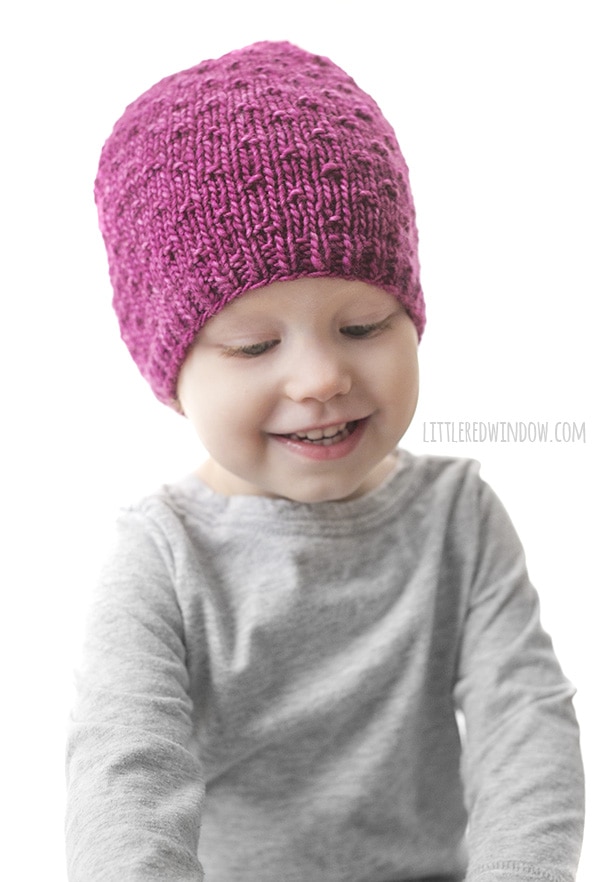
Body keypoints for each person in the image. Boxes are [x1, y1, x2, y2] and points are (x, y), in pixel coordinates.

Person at [65, 41, 584, 882]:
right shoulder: (162, 557)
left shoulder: (460, 516)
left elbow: (523, 725)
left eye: (364, 327)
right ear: (170, 376)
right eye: (254, 344)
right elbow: (124, 777)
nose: (321, 379)